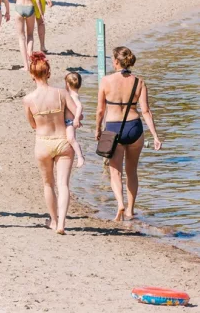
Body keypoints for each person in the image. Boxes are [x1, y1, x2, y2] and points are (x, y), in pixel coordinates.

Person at [95, 46, 162, 222]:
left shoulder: (106, 81)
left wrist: (98, 130)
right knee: (132, 171)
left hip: (113, 128)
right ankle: (130, 211)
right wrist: (155, 136)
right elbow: (146, 111)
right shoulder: (139, 82)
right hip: (134, 128)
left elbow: (100, 110)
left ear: (116, 61)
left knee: (115, 171)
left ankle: (120, 204)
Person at [23, 52, 76, 234]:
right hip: (63, 141)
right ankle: (61, 223)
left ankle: (53, 221)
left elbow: (32, 124)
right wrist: (68, 119)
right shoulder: (61, 93)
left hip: (43, 142)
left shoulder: (28, 99)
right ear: (48, 73)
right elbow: (77, 114)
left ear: (32, 74)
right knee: (63, 184)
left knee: (48, 184)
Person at [10, 0, 39, 72]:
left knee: (21, 37)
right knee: (30, 35)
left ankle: (25, 65)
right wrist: (40, 13)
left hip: (19, 7)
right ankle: (30, 59)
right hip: (30, 7)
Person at [63, 72, 86, 168]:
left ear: (67, 84)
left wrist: (76, 119)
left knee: (71, 139)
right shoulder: (73, 95)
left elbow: (79, 107)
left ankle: (80, 156)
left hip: (70, 122)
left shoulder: (73, 96)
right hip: (69, 121)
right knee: (69, 139)